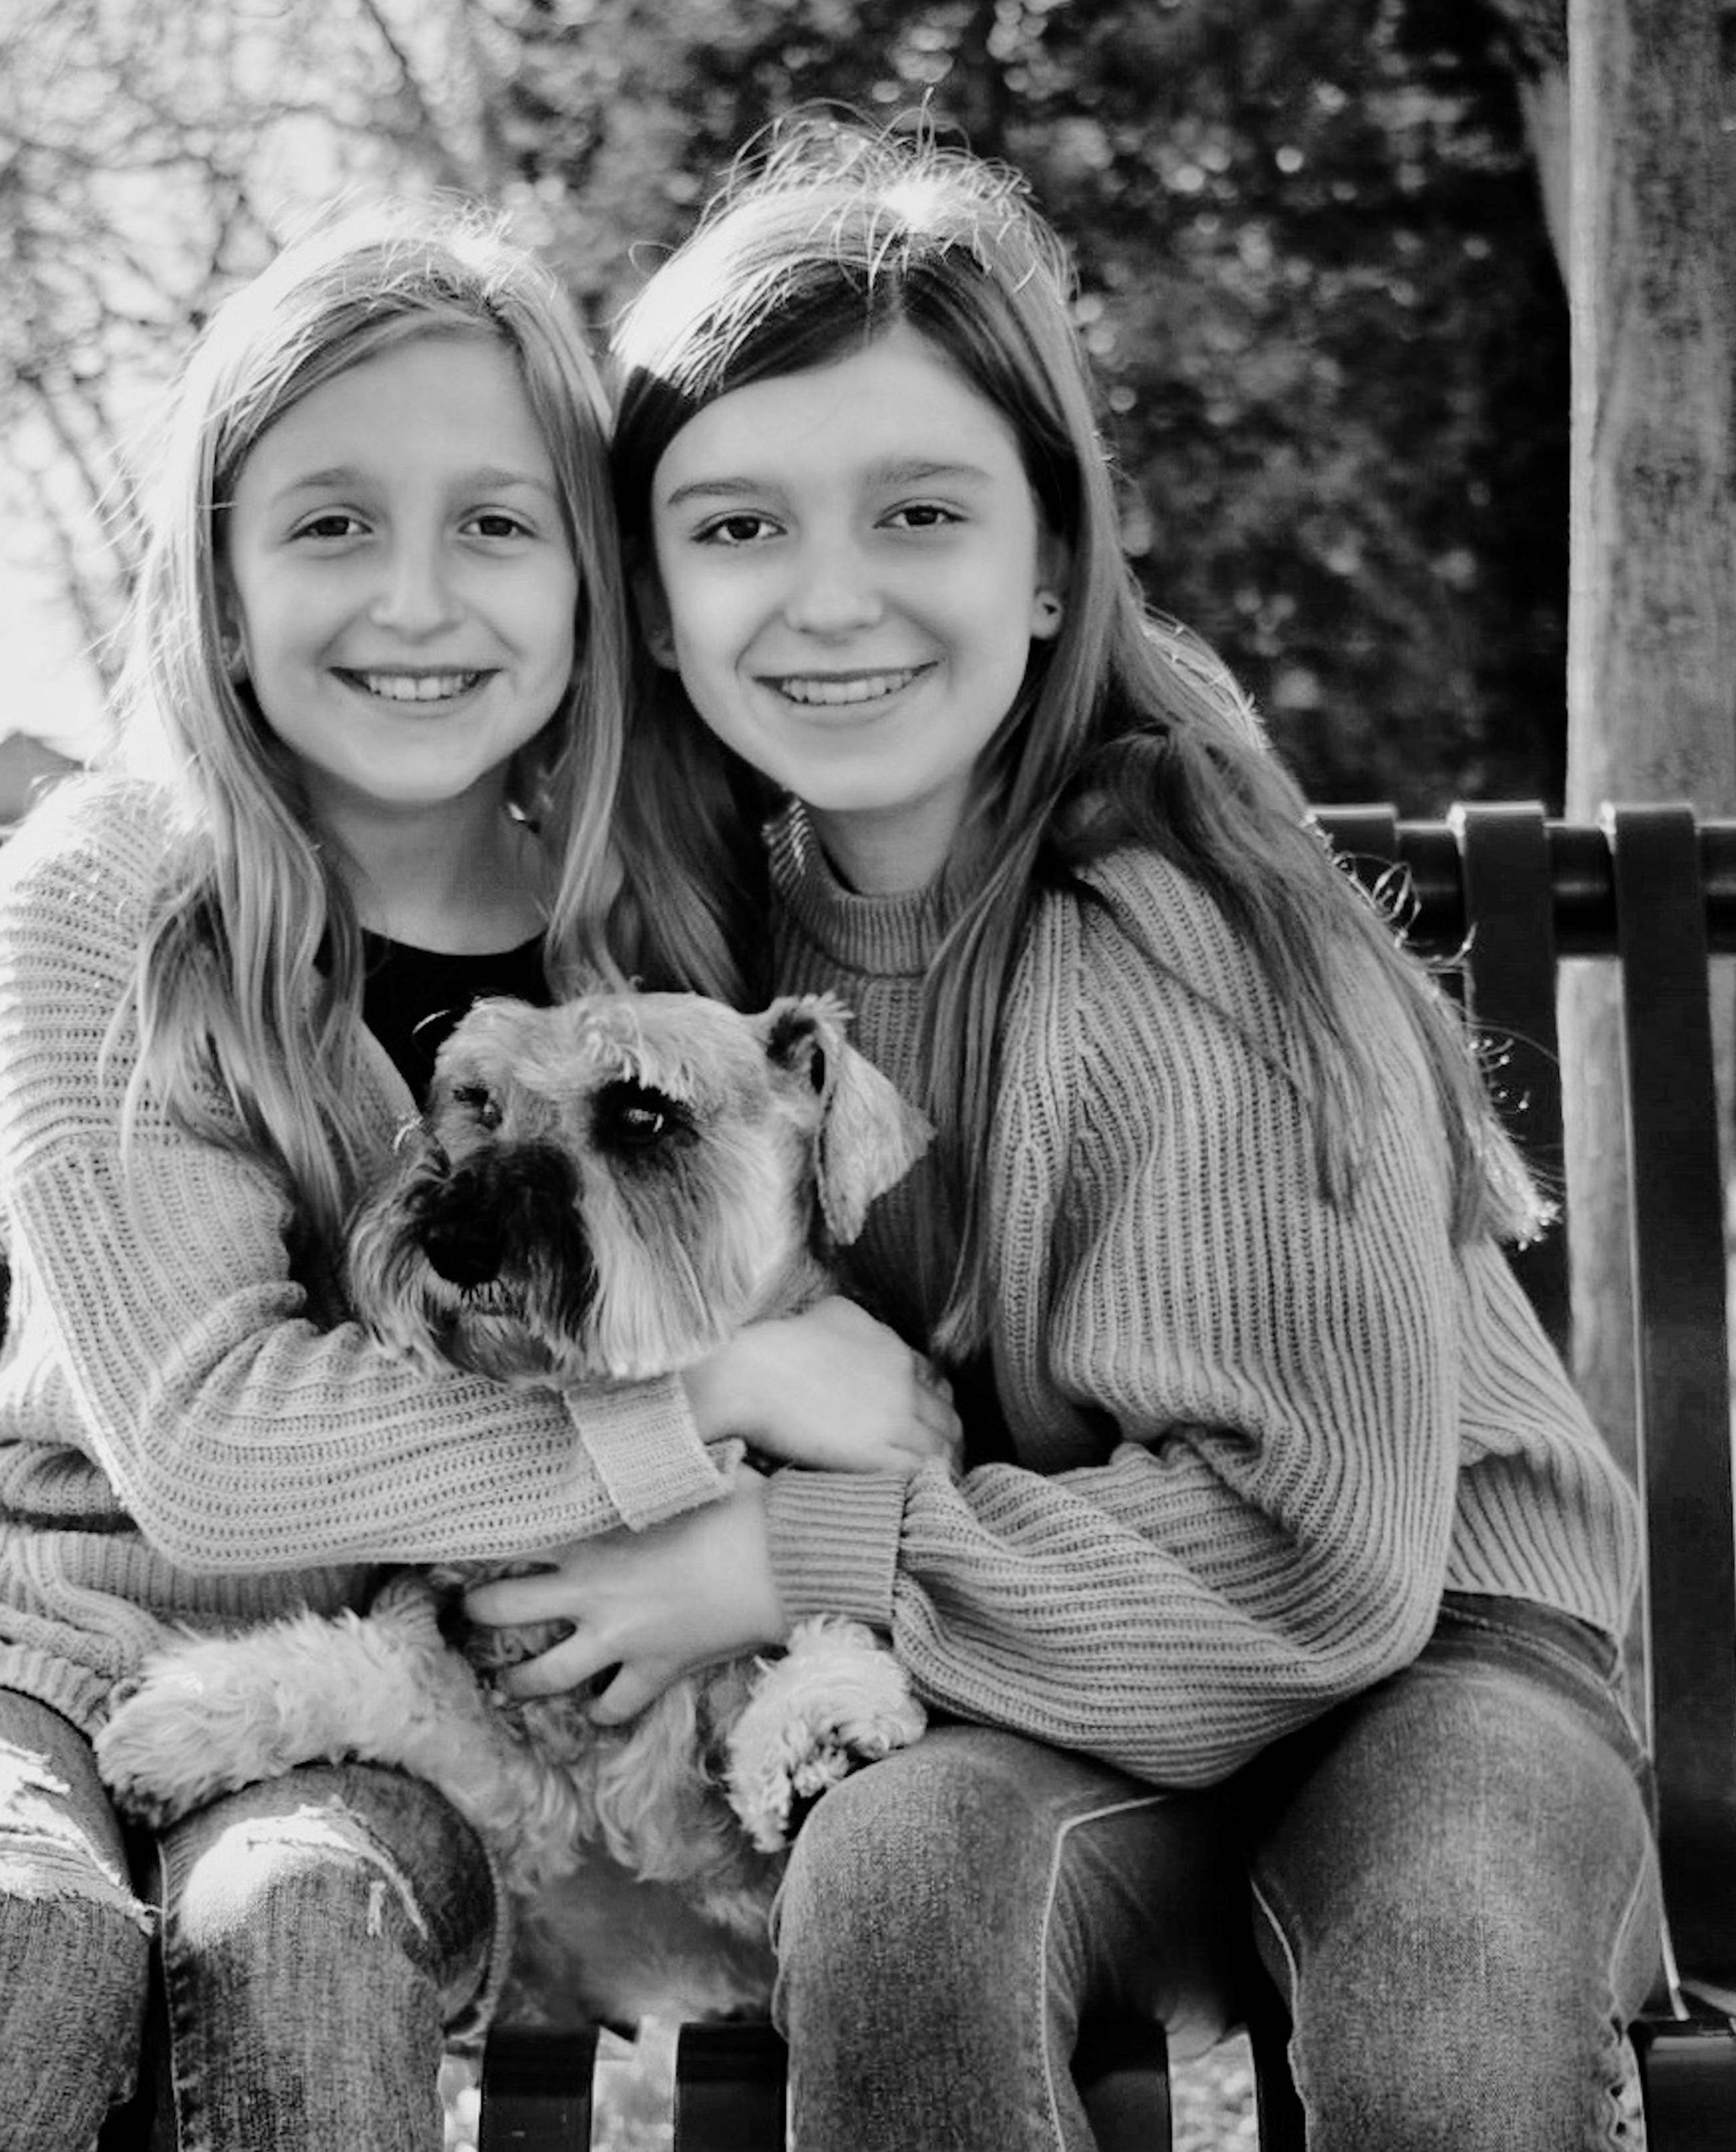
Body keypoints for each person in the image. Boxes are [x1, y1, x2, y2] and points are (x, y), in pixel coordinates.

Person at [465, 119, 1664, 2149]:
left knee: (1436, 1961)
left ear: (1047, 566)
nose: (826, 598)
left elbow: (1312, 1557)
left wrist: (783, 1549)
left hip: (1423, 1651)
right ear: (650, 604)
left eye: (917, 510)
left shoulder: (1182, 922)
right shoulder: (705, 961)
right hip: (1041, 1683)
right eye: (737, 528)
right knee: (903, 1880)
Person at [0, 195, 953, 2152]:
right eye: (330, 523)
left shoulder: (659, 936)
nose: (416, 599)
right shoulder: (108, 899)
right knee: (14, 1943)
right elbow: (208, 1452)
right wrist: (719, 1392)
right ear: (218, 587)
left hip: (409, 1707)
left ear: (589, 585)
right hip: (15, 1646)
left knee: (303, 1929)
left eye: (494, 524)